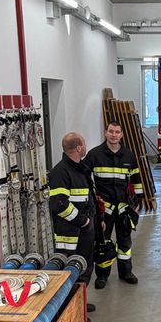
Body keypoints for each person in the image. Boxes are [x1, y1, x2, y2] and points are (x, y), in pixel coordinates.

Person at [84, 121, 143, 287]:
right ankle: (102, 276)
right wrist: (91, 203)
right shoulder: (94, 155)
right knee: (103, 242)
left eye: (117, 132)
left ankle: (126, 272)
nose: (114, 135)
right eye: (111, 131)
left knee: (125, 242)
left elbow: (137, 180)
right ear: (105, 133)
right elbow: (85, 180)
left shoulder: (129, 156)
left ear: (122, 134)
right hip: (104, 209)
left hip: (124, 208)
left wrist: (138, 203)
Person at [48, 131, 98, 312]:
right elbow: (59, 205)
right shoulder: (61, 172)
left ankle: (80, 306)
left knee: (84, 269)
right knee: (71, 273)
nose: (85, 147)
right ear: (78, 147)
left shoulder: (80, 168)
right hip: (71, 235)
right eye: (84, 143)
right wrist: (83, 221)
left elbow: (87, 198)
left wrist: (95, 220)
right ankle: (71, 311)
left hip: (84, 231)